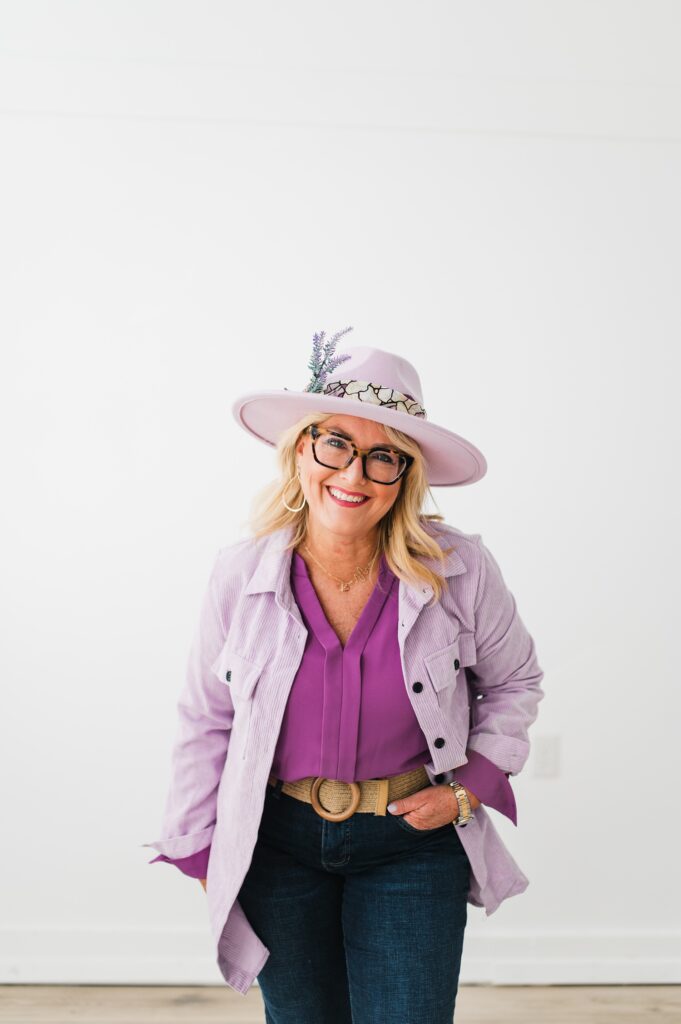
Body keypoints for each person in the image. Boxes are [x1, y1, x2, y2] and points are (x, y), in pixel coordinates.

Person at [141, 328, 545, 1023]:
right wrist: (201, 842)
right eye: (334, 444)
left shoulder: (461, 570)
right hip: (276, 845)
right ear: (300, 451)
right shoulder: (239, 573)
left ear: (405, 476)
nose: (353, 476)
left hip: (411, 847)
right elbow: (207, 716)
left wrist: (468, 792)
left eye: (382, 457)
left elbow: (515, 683)